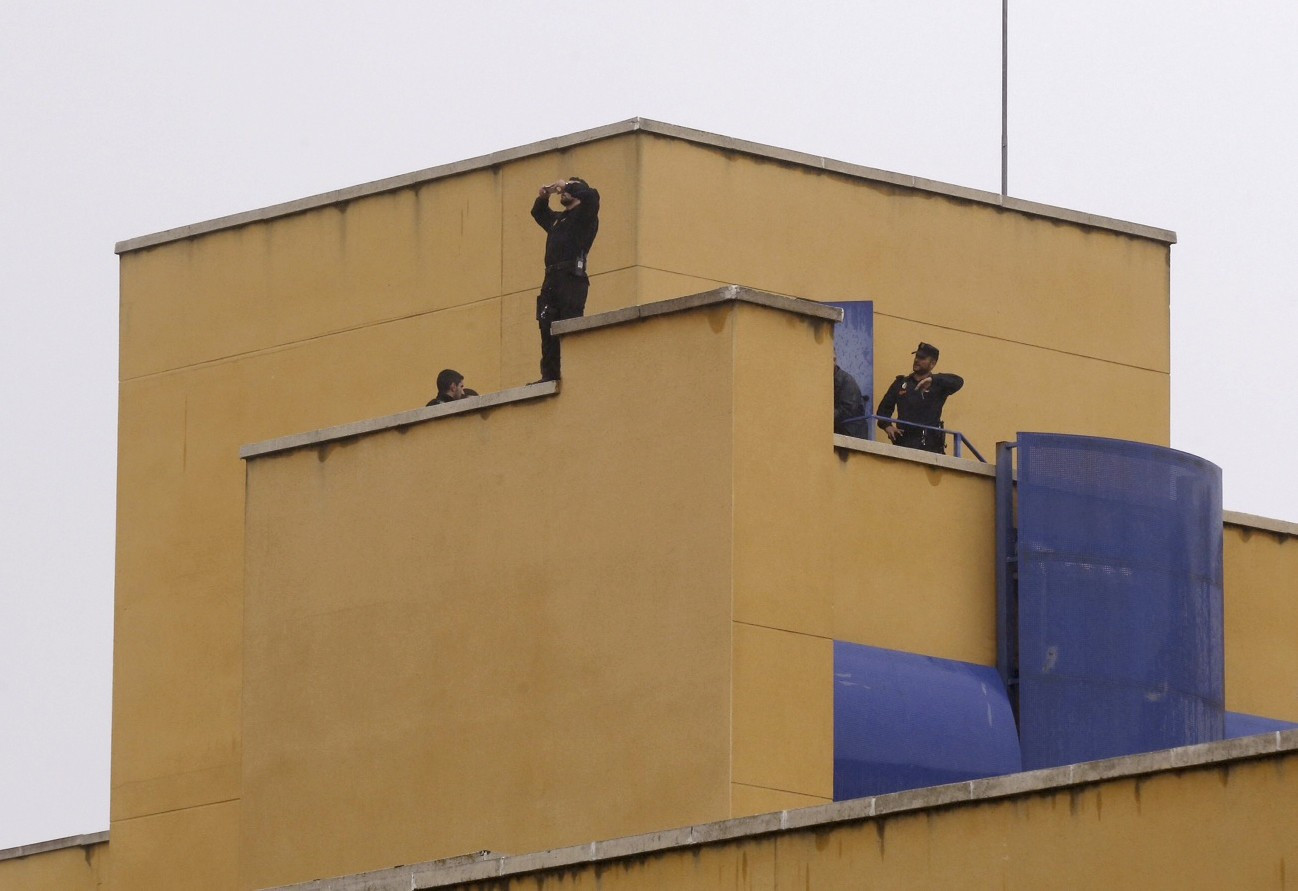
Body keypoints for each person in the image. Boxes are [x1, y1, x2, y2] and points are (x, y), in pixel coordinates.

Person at [531, 176, 600, 382]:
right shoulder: (559, 220)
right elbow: (538, 213)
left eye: (569, 189)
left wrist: (569, 185)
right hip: (551, 279)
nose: (563, 193)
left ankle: (572, 373)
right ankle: (549, 376)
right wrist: (543, 198)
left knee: (568, 327)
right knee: (547, 326)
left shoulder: (585, 216)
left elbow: (593, 196)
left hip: (571, 279)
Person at [877, 342, 964, 453]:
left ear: (932, 364)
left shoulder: (938, 385)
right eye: (917, 356)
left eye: (922, 358)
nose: (917, 360)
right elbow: (884, 409)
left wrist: (933, 380)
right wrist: (887, 426)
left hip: (930, 447)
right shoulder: (901, 383)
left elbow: (959, 381)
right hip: (904, 444)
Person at [833, 363, 870, 438]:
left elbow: (848, 409)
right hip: (843, 432)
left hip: (852, 433)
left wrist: (826, 416)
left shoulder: (847, 381)